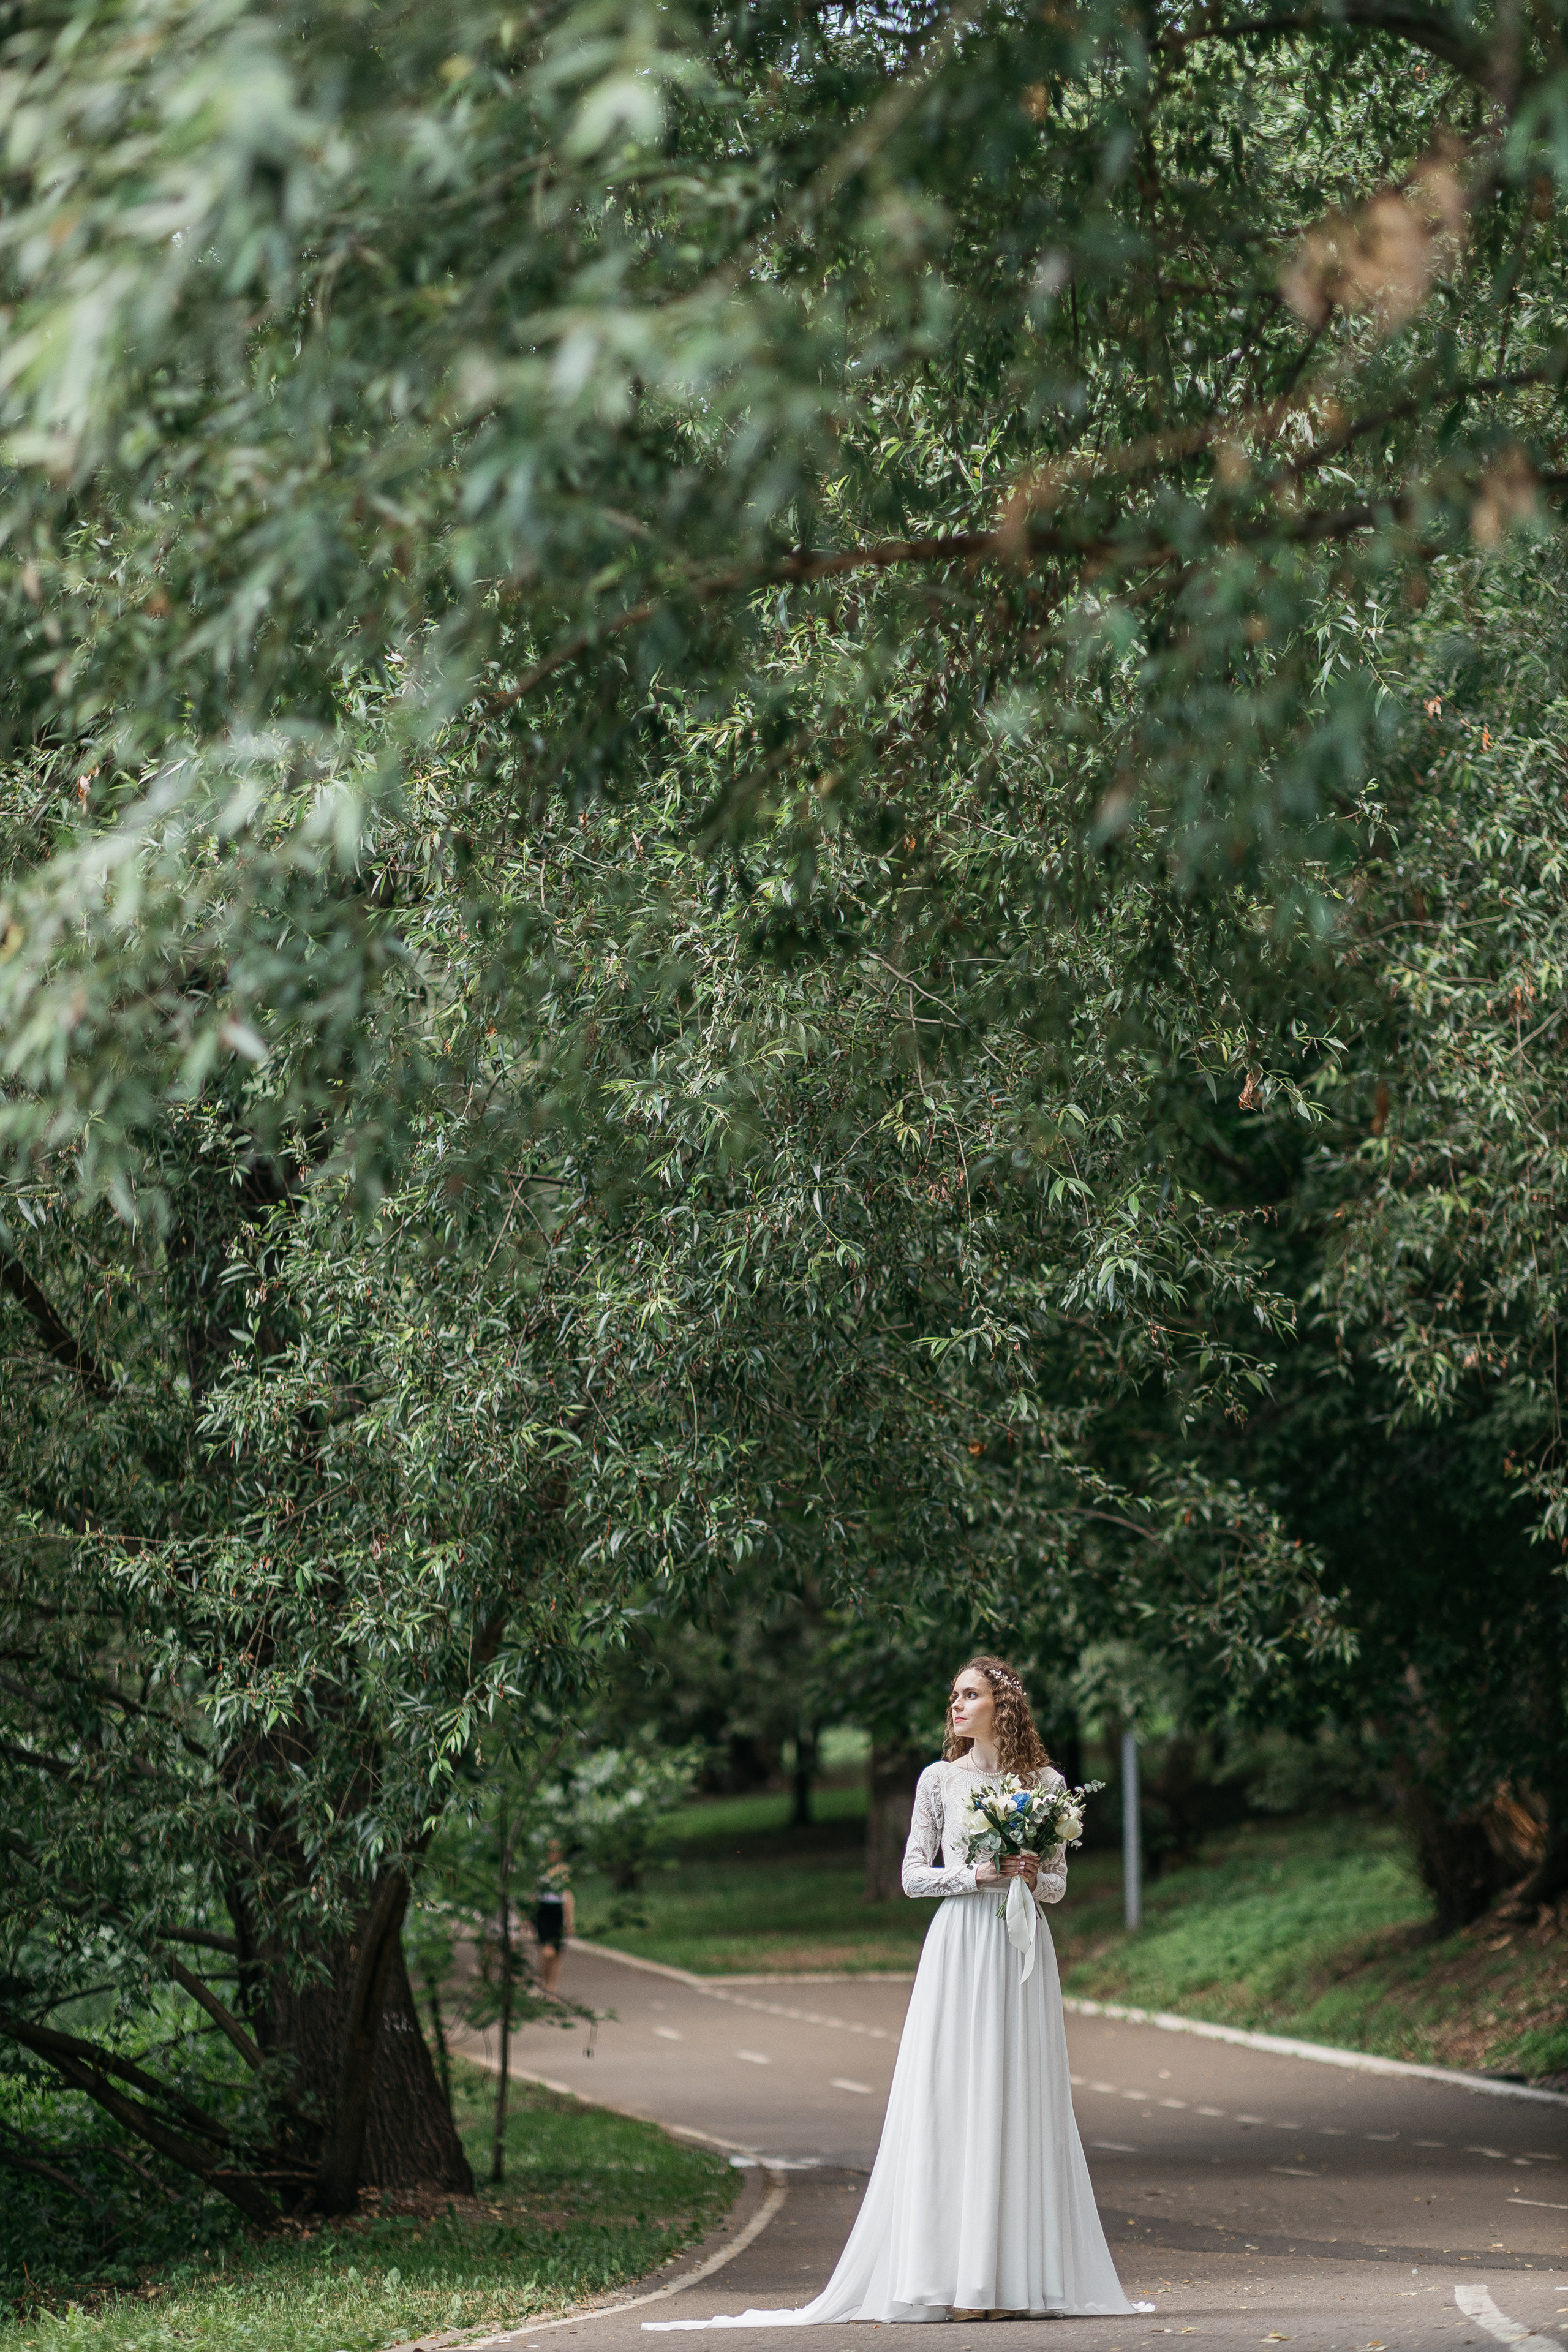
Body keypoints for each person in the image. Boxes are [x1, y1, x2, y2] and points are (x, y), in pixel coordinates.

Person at [645, 1656, 1150, 2327]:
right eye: (954, 1695)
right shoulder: (938, 1780)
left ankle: (1011, 2283)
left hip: (1019, 1952)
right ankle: (952, 2279)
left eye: (969, 1695)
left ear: (1003, 1706)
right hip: (960, 1946)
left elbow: (1057, 1884)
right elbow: (913, 1876)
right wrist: (973, 1875)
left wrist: (1030, 1873)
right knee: (954, 2099)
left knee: (1017, 2100)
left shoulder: (1048, 1784)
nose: (956, 1704)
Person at [535, 1841, 575, 1996]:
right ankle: (545, 1981)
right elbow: (535, 1893)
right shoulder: (541, 1868)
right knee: (547, 1951)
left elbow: (568, 1895)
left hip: (558, 1910)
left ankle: (551, 1987)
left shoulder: (564, 1870)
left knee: (557, 1952)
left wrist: (569, 1921)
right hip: (544, 1910)